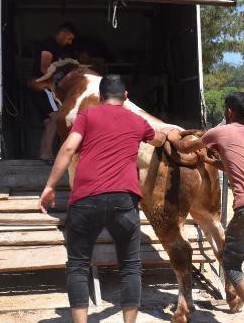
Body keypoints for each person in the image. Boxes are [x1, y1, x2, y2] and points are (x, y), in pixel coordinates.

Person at [39, 74, 169, 323]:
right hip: (124, 200)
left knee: (78, 265)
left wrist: (50, 186)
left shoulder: (86, 116)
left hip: (86, 198)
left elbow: (67, 148)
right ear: (126, 96)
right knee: (130, 266)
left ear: (99, 97)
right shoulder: (136, 119)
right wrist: (170, 137)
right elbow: (157, 138)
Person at [167, 92, 244, 323]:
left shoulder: (219, 132)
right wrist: (210, 162)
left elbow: (185, 146)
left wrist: (171, 134)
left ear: (229, 111)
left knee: (231, 264)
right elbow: (237, 165)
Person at [31, 23, 76, 159]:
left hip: (42, 87)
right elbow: (44, 68)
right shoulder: (49, 45)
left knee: (50, 121)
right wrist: (55, 81)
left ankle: (45, 153)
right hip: (43, 87)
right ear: (63, 32)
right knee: (56, 118)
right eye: (69, 38)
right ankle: (46, 153)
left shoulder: (53, 46)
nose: (70, 42)